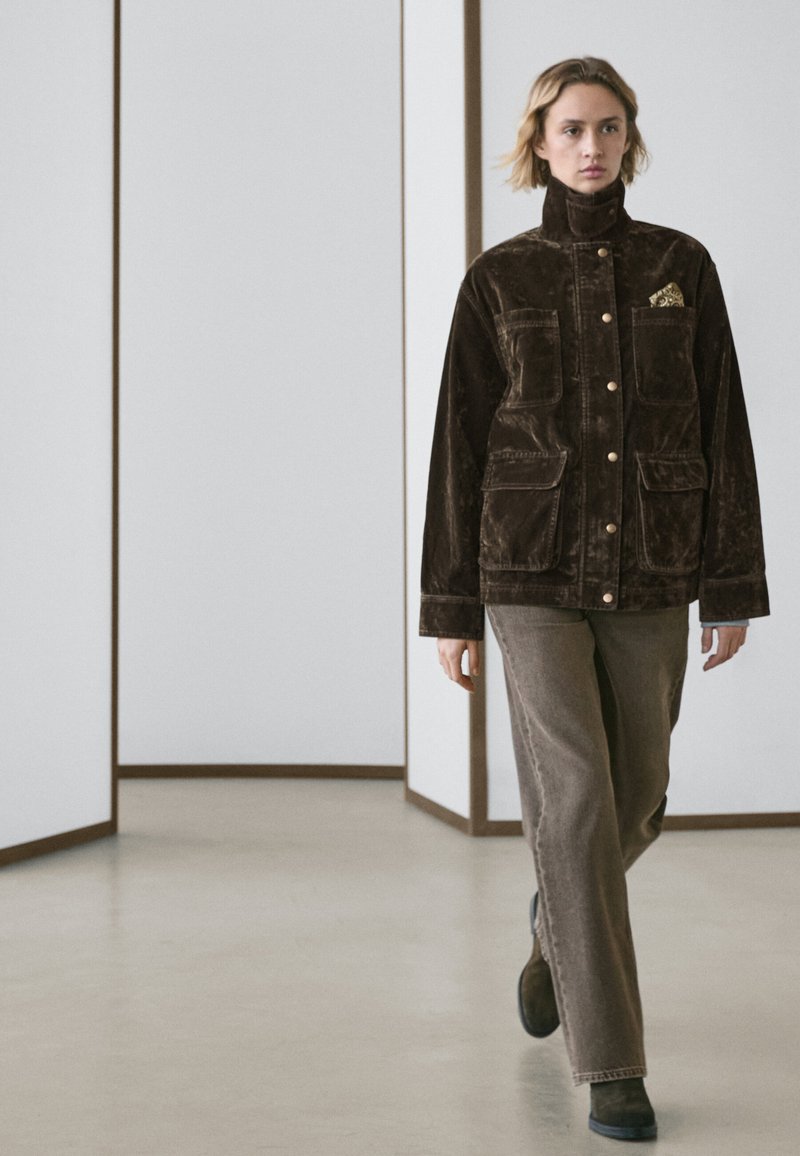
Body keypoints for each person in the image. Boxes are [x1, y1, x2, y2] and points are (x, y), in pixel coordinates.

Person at [418, 57, 769, 1142]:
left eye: (608, 127)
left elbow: (723, 425)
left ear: (629, 140)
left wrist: (731, 585)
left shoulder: (681, 267)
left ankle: (552, 927)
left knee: (639, 797)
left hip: (654, 565)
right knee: (573, 801)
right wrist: (448, 606)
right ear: (540, 140)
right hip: (526, 572)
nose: (591, 145)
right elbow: (458, 444)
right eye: (571, 128)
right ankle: (612, 1069)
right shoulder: (498, 279)